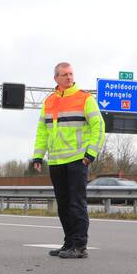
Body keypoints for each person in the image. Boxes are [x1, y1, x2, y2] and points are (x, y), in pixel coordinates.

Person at [30, 62, 105, 258]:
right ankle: (69, 243)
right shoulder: (49, 102)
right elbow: (42, 132)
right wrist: (38, 155)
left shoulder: (84, 98)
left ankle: (80, 246)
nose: (69, 77)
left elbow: (99, 126)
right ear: (56, 78)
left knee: (76, 203)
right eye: (64, 75)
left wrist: (91, 154)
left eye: (71, 74)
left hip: (78, 159)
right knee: (63, 204)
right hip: (56, 161)